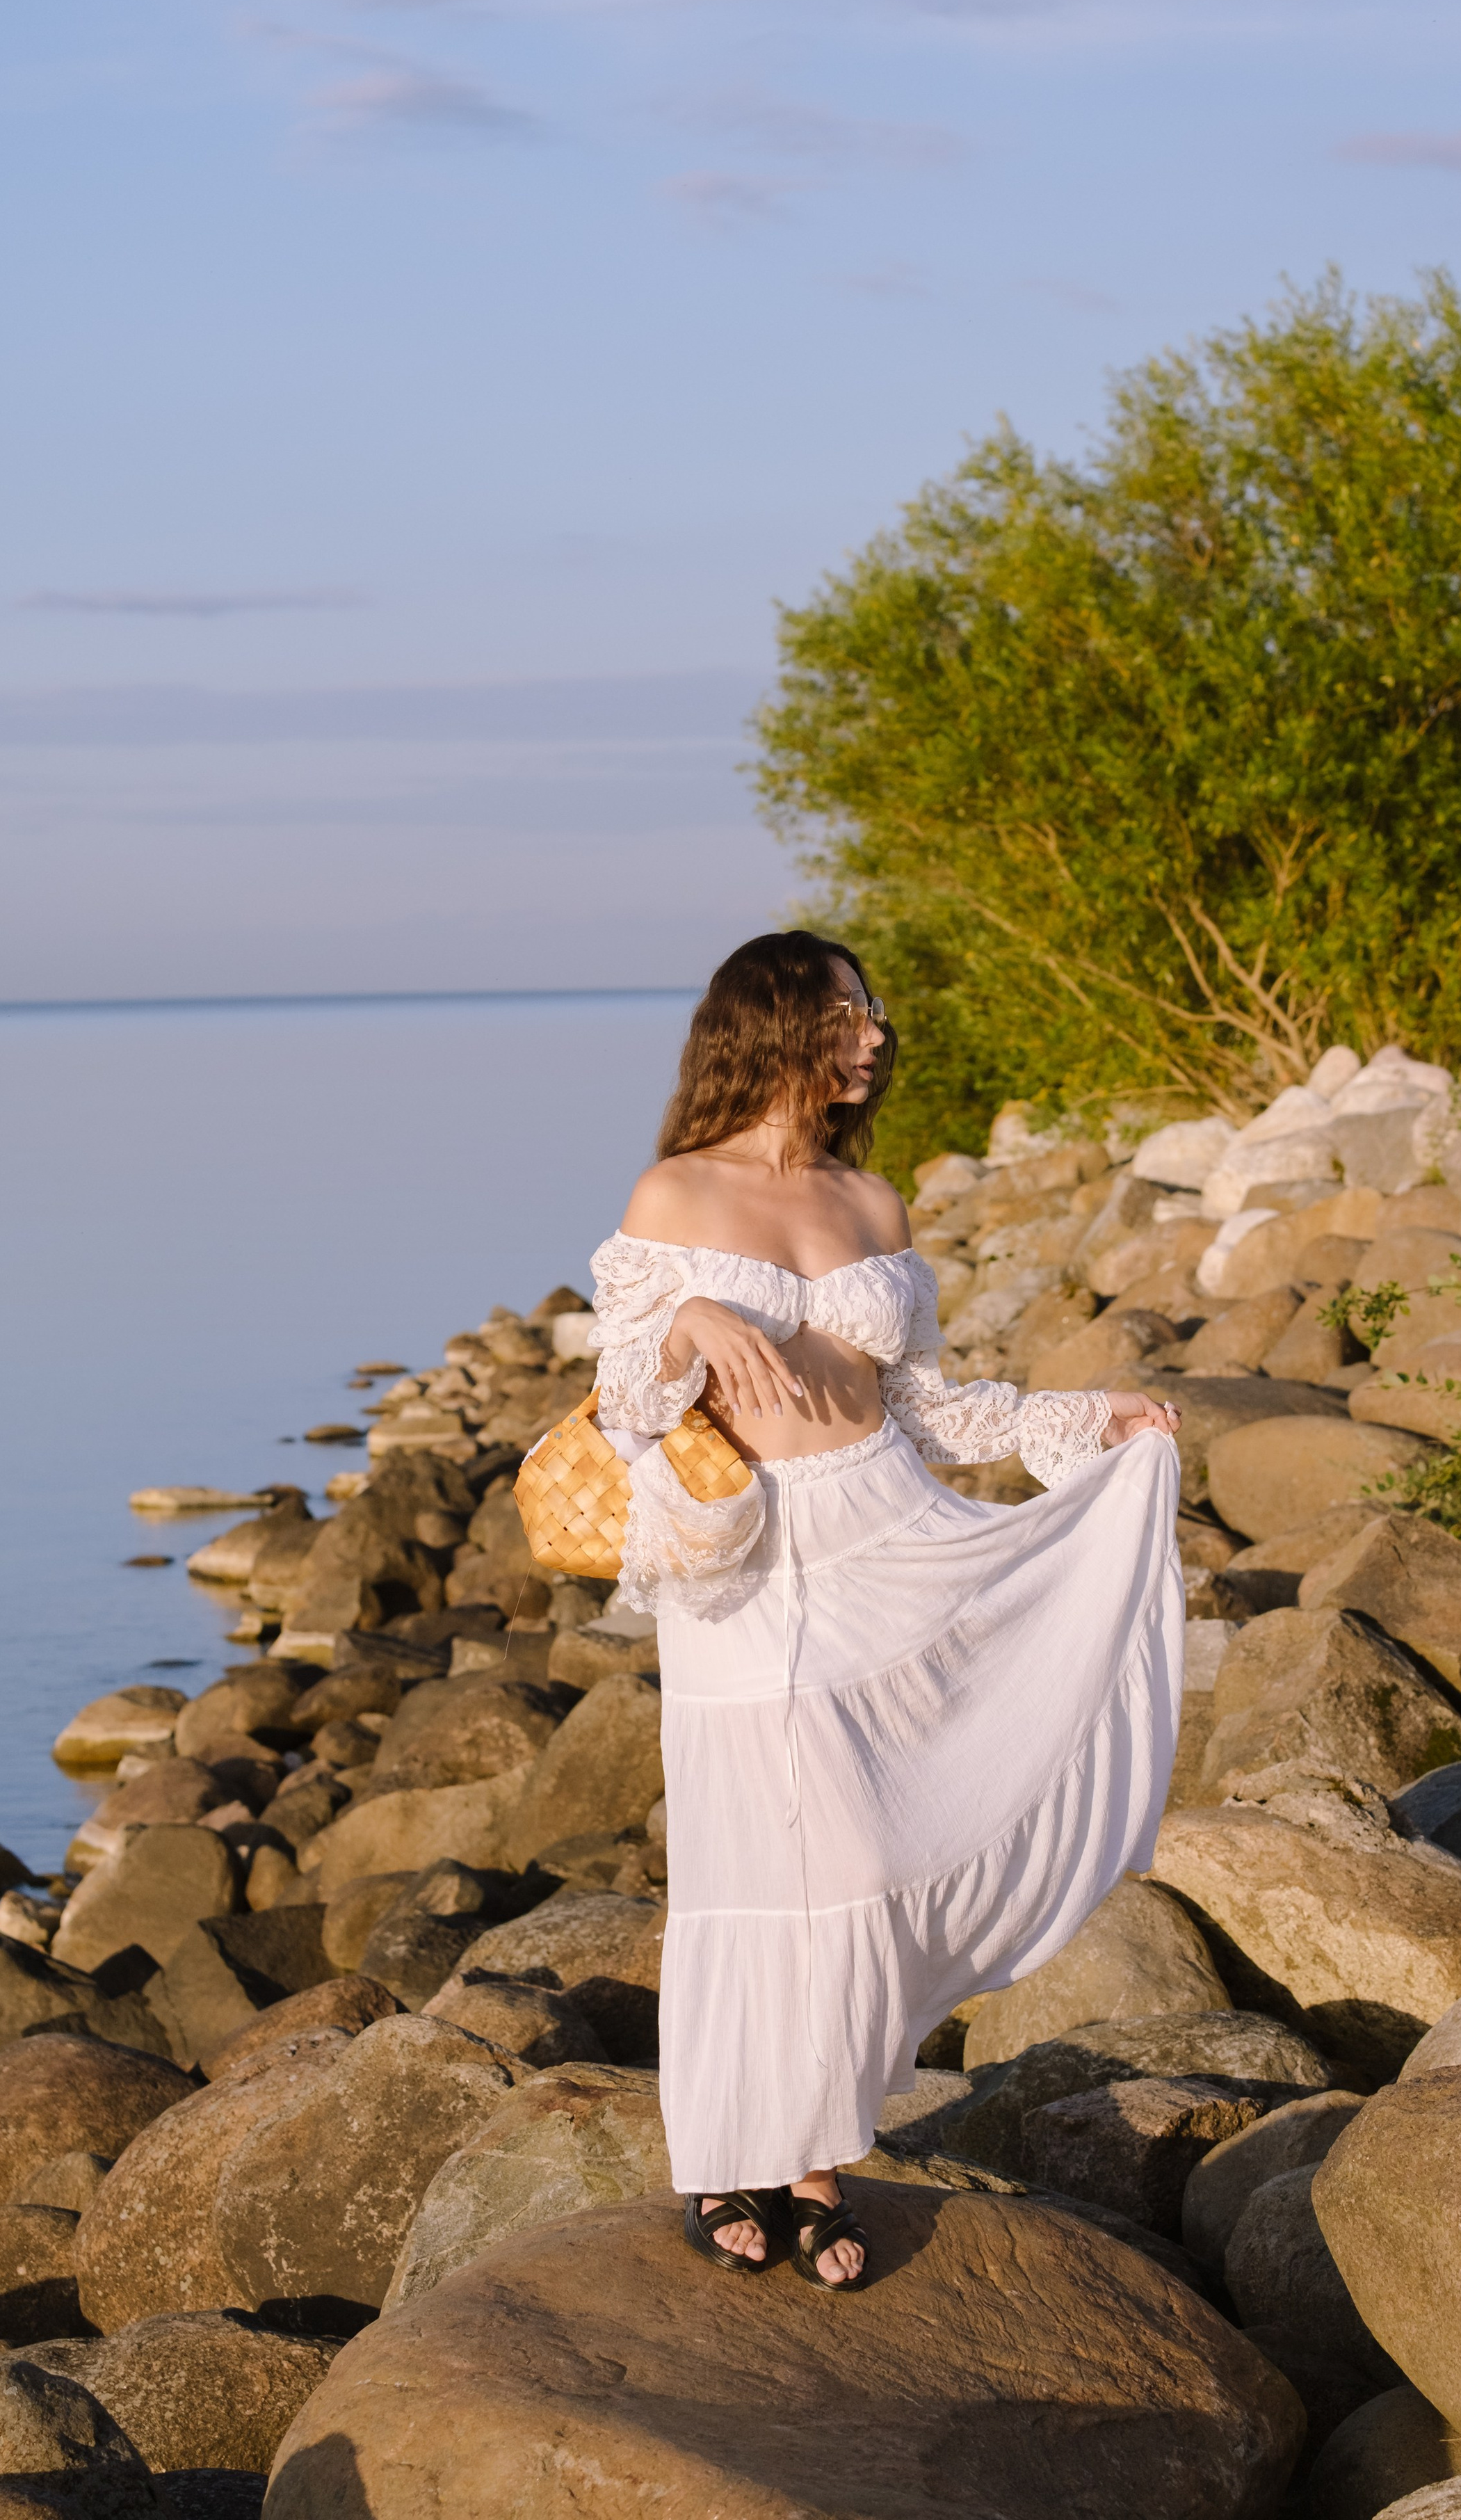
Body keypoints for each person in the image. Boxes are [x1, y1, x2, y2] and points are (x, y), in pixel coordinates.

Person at [590, 930, 1184, 2290]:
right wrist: (684, 1330)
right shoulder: (674, 1191)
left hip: (884, 1527)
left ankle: (811, 2166)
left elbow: (929, 1405)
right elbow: (622, 1400)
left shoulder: (870, 1203)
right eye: (844, 1013)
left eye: (871, 1016)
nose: (870, 1037)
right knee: (753, 1863)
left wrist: (1095, 1420)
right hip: (742, 1570)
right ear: (771, 1023)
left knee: (856, 1865)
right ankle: (720, 2162)